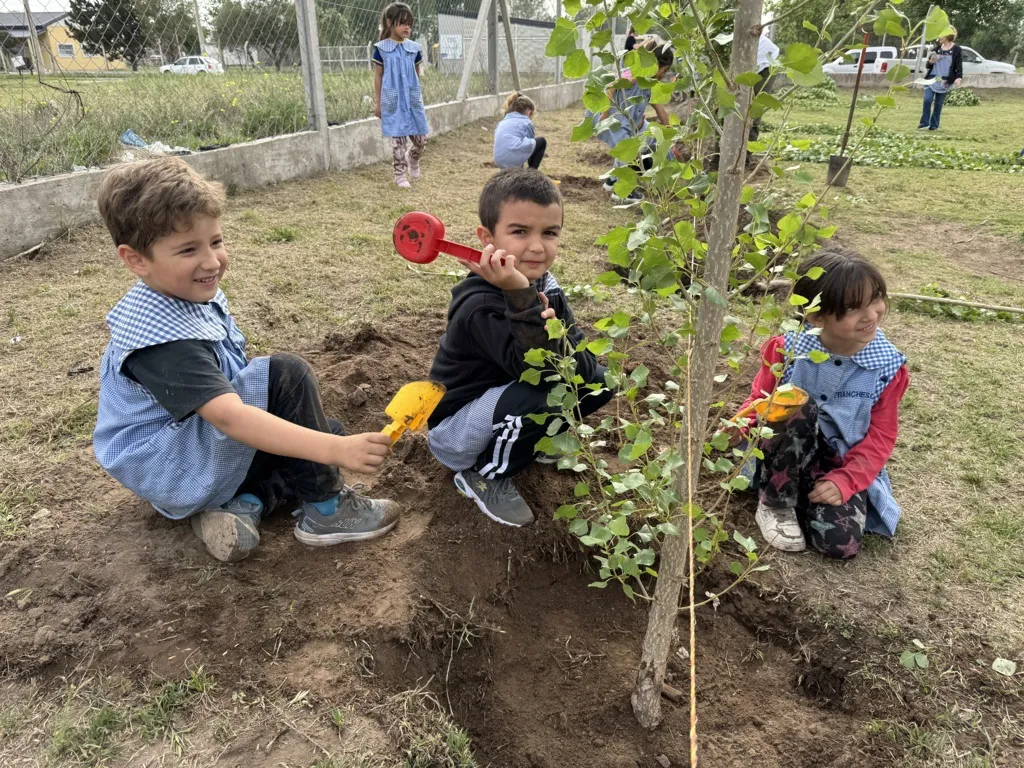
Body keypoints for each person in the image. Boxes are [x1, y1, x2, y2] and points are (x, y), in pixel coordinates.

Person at [92, 157, 401, 563]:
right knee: (290, 383)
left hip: (188, 454)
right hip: (173, 467)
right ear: (136, 260)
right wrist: (335, 451)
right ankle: (327, 512)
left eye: (216, 242)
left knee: (319, 432)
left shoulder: (179, 292)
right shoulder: (160, 340)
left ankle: (245, 505)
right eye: (189, 249)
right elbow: (230, 418)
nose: (211, 261)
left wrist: (327, 442)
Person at [426, 169, 613, 526]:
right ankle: (485, 474)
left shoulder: (544, 284)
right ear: (486, 238)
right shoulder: (479, 305)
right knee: (548, 391)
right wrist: (518, 294)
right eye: (519, 232)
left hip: (504, 399)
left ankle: (532, 442)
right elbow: (541, 372)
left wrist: (528, 295)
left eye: (549, 233)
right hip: (456, 431)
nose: (537, 246)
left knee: (599, 381)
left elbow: (581, 367)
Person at [728, 248, 909, 559]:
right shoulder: (788, 349)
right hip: (783, 445)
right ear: (815, 316)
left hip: (838, 459)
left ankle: (803, 493)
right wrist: (742, 424)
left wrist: (846, 480)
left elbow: (881, 436)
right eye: (853, 307)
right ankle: (775, 501)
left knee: (840, 545)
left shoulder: (888, 368)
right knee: (796, 402)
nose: (871, 314)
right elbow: (761, 398)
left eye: (876, 298)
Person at [588, 38, 675, 202]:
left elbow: (658, 107)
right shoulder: (635, 73)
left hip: (630, 124)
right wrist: (604, 113)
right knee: (629, 152)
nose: (663, 74)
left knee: (651, 139)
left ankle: (612, 181)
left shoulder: (648, 82)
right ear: (655, 64)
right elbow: (612, 86)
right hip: (614, 120)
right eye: (664, 69)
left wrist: (668, 129)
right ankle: (622, 192)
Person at [373, 2, 429, 188]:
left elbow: (416, 72)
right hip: (392, 99)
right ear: (390, 23)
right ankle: (400, 174)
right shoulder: (381, 49)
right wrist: (379, 103)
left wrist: (416, 97)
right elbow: (378, 76)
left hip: (412, 99)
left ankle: (412, 159)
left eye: (410, 23)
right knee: (398, 142)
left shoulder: (414, 48)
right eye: (403, 23)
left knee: (421, 140)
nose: (407, 27)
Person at [919, 28, 962, 131]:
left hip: (945, 81)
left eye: (941, 35)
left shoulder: (957, 50)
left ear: (947, 36)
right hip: (931, 79)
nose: (939, 38)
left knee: (938, 104)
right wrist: (931, 62)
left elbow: (958, 65)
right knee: (927, 100)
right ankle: (924, 123)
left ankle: (934, 125)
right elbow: (928, 65)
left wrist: (958, 77)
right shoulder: (936, 49)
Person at [493, 92, 546, 170]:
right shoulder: (526, 122)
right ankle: (532, 172)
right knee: (541, 142)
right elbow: (531, 149)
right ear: (529, 112)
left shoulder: (501, 122)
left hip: (499, 160)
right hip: (513, 157)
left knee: (518, 147)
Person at [749, 29, 779, 145]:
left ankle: (745, 159)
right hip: (748, 66)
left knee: (753, 114)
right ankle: (717, 158)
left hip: (765, 66)